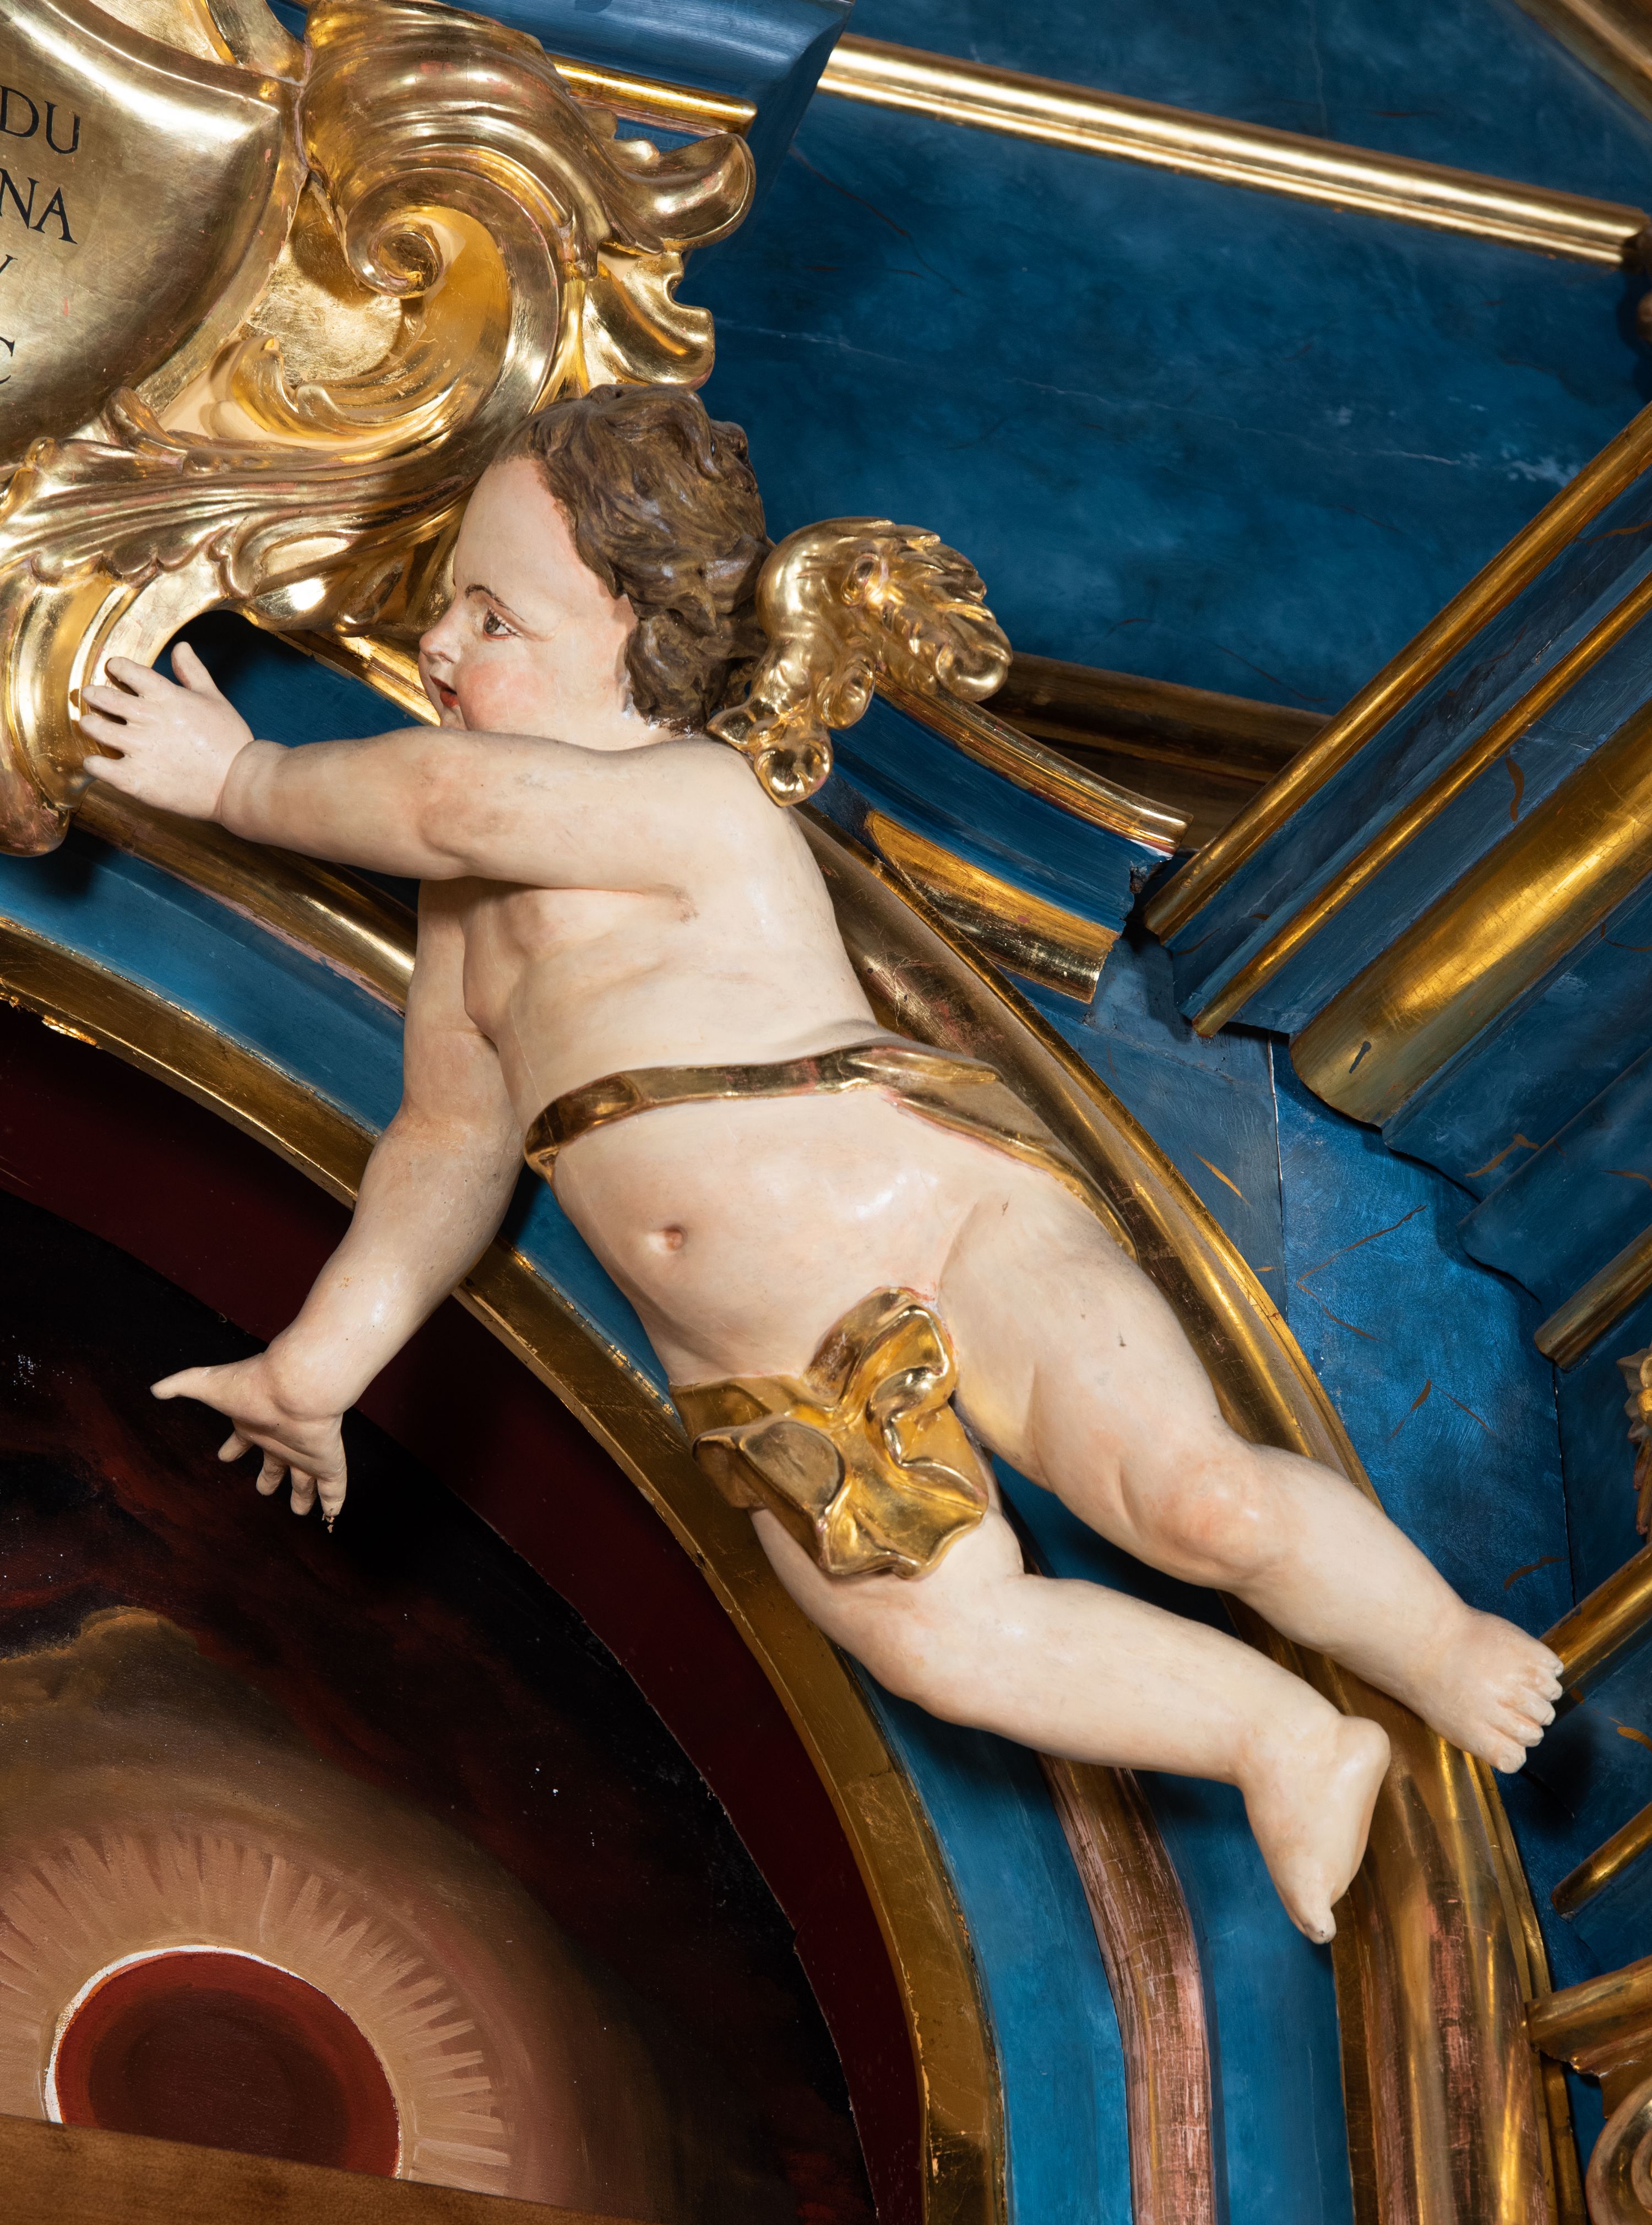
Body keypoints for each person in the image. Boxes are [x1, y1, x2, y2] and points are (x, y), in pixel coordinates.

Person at [77, 384, 1562, 1943]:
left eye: (493, 615)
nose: (441, 643)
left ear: (639, 633)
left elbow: (450, 803)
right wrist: (318, 1365)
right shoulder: (468, 928)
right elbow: (448, 1143)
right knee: (936, 1643)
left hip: (940, 1217)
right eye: (448, 603)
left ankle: (1436, 1643)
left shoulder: (688, 798)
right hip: (764, 1370)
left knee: (1191, 1493)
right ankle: (1281, 1737)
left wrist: (241, 781)